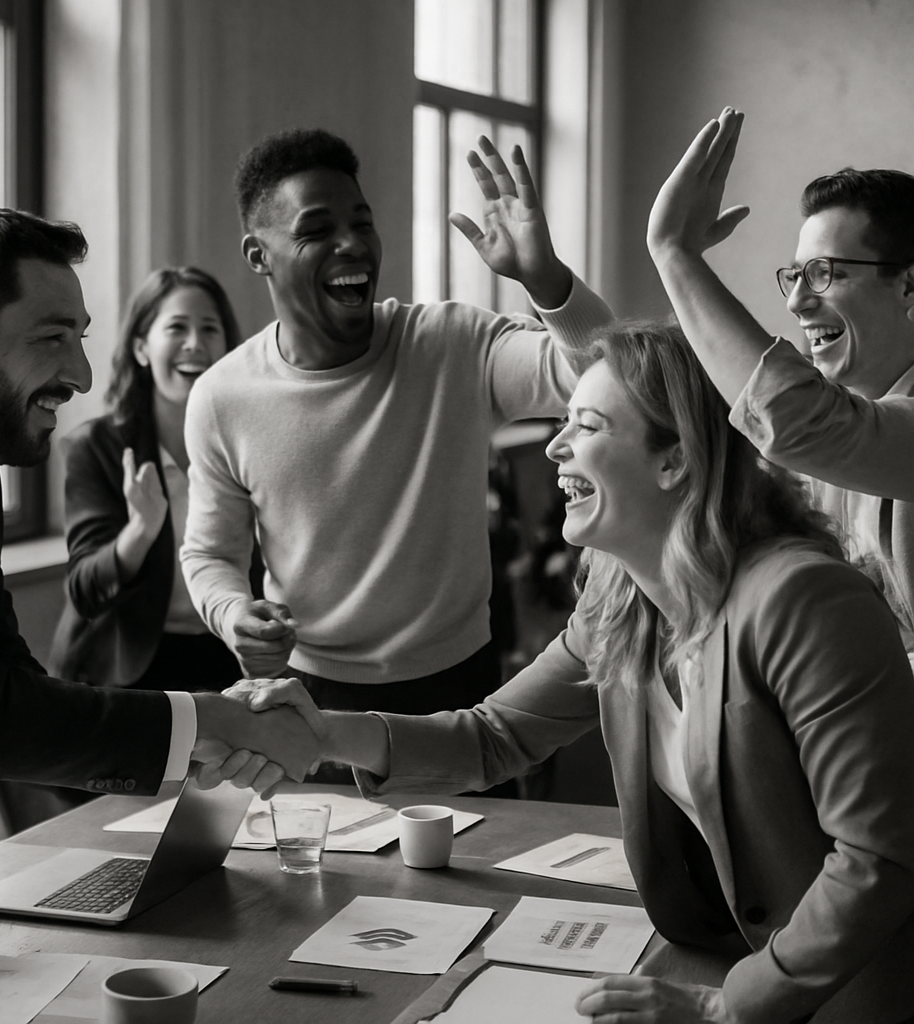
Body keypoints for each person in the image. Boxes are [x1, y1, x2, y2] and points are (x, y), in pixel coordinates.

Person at [229, 321, 914, 1024]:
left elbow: (878, 858)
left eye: (584, 426)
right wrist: (319, 734)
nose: (554, 446)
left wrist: (724, 1009)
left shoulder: (803, 599)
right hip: (726, 958)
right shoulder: (620, 597)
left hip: (852, 995)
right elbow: (491, 738)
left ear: (674, 460)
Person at [0, 207, 318, 897]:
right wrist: (208, 720)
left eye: (81, 338)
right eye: (53, 337)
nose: (82, 375)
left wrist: (197, 732)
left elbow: (6, 674)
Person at [180, 127, 612, 735]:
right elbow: (209, 553)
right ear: (259, 256)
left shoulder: (452, 343)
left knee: (487, 837)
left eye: (362, 223)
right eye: (316, 231)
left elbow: (604, 375)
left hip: (461, 690)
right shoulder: (223, 397)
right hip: (310, 698)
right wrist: (233, 614)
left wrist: (545, 278)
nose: (352, 244)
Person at [646, 106, 914, 652]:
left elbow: (794, 421)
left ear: (909, 287)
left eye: (824, 273)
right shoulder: (836, 430)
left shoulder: (834, 427)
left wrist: (674, 253)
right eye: (795, 275)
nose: (796, 302)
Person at [50, 266, 256, 692]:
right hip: (129, 665)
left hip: (231, 654)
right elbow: (85, 590)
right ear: (142, 348)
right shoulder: (95, 448)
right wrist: (140, 531)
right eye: (177, 327)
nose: (195, 345)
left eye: (210, 329)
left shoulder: (252, 441)